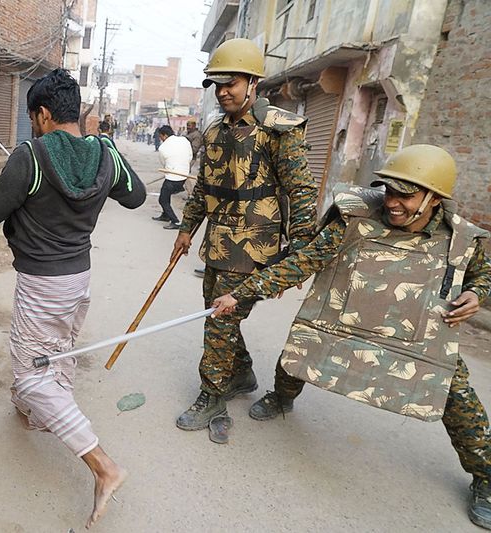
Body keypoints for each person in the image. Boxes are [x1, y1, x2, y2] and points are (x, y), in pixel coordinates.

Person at [212, 144, 491, 531]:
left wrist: (476, 294)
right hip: (344, 311)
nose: (392, 202)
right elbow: (305, 259)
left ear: (433, 197)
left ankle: (486, 478)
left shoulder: (462, 238)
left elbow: (481, 275)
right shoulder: (355, 217)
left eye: (405, 195)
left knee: (457, 396)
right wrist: (242, 292)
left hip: (417, 330)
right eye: (389, 191)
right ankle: (282, 397)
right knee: (302, 347)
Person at [0, 68, 145, 528]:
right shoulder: (105, 152)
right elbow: (137, 197)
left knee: (31, 375)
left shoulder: (32, 156)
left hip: (41, 284)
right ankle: (38, 414)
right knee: (57, 352)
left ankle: (104, 466)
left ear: (42, 114)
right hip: (78, 278)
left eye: (32, 117)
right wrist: (108, 159)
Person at [172, 38, 317, 444]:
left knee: (219, 321)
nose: (222, 92)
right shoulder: (216, 130)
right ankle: (241, 372)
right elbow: (204, 188)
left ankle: (212, 394)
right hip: (219, 243)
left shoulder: (279, 129)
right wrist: (187, 228)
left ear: (254, 82)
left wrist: (302, 254)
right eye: (217, 85)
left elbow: (300, 192)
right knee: (216, 311)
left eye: (231, 83)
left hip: (256, 245)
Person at [153, 125, 192, 230]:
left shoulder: (163, 148)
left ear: (165, 135)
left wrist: (173, 168)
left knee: (163, 200)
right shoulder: (184, 140)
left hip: (172, 177)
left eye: (160, 136)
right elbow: (190, 156)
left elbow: (164, 163)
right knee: (166, 195)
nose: (160, 139)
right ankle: (165, 215)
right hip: (184, 174)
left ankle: (175, 221)